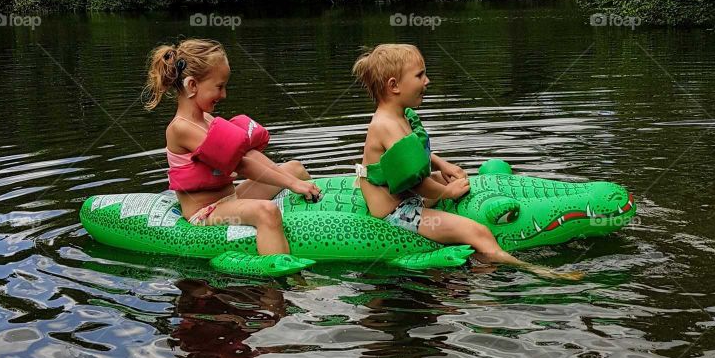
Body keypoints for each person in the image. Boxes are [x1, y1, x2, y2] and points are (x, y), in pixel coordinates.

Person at [352, 43, 580, 279]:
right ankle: (539, 271)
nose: (427, 81)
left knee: (449, 177)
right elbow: (414, 182)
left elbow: (412, 156)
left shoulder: (398, 116)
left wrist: (442, 165)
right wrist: (446, 193)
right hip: (397, 212)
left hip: (403, 196)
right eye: (420, 75)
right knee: (478, 231)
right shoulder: (385, 126)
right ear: (394, 85)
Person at [144, 39, 320, 255]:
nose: (224, 94)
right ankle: (284, 283)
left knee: (295, 168)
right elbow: (241, 164)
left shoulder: (207, 119)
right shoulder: (180, 129)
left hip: (231, 198)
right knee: (266, 211)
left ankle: (314, 225)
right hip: (205, 212)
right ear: (192, 85)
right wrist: (291, 185)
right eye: (219, 87)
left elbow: (247, 153)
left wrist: (294, 180)